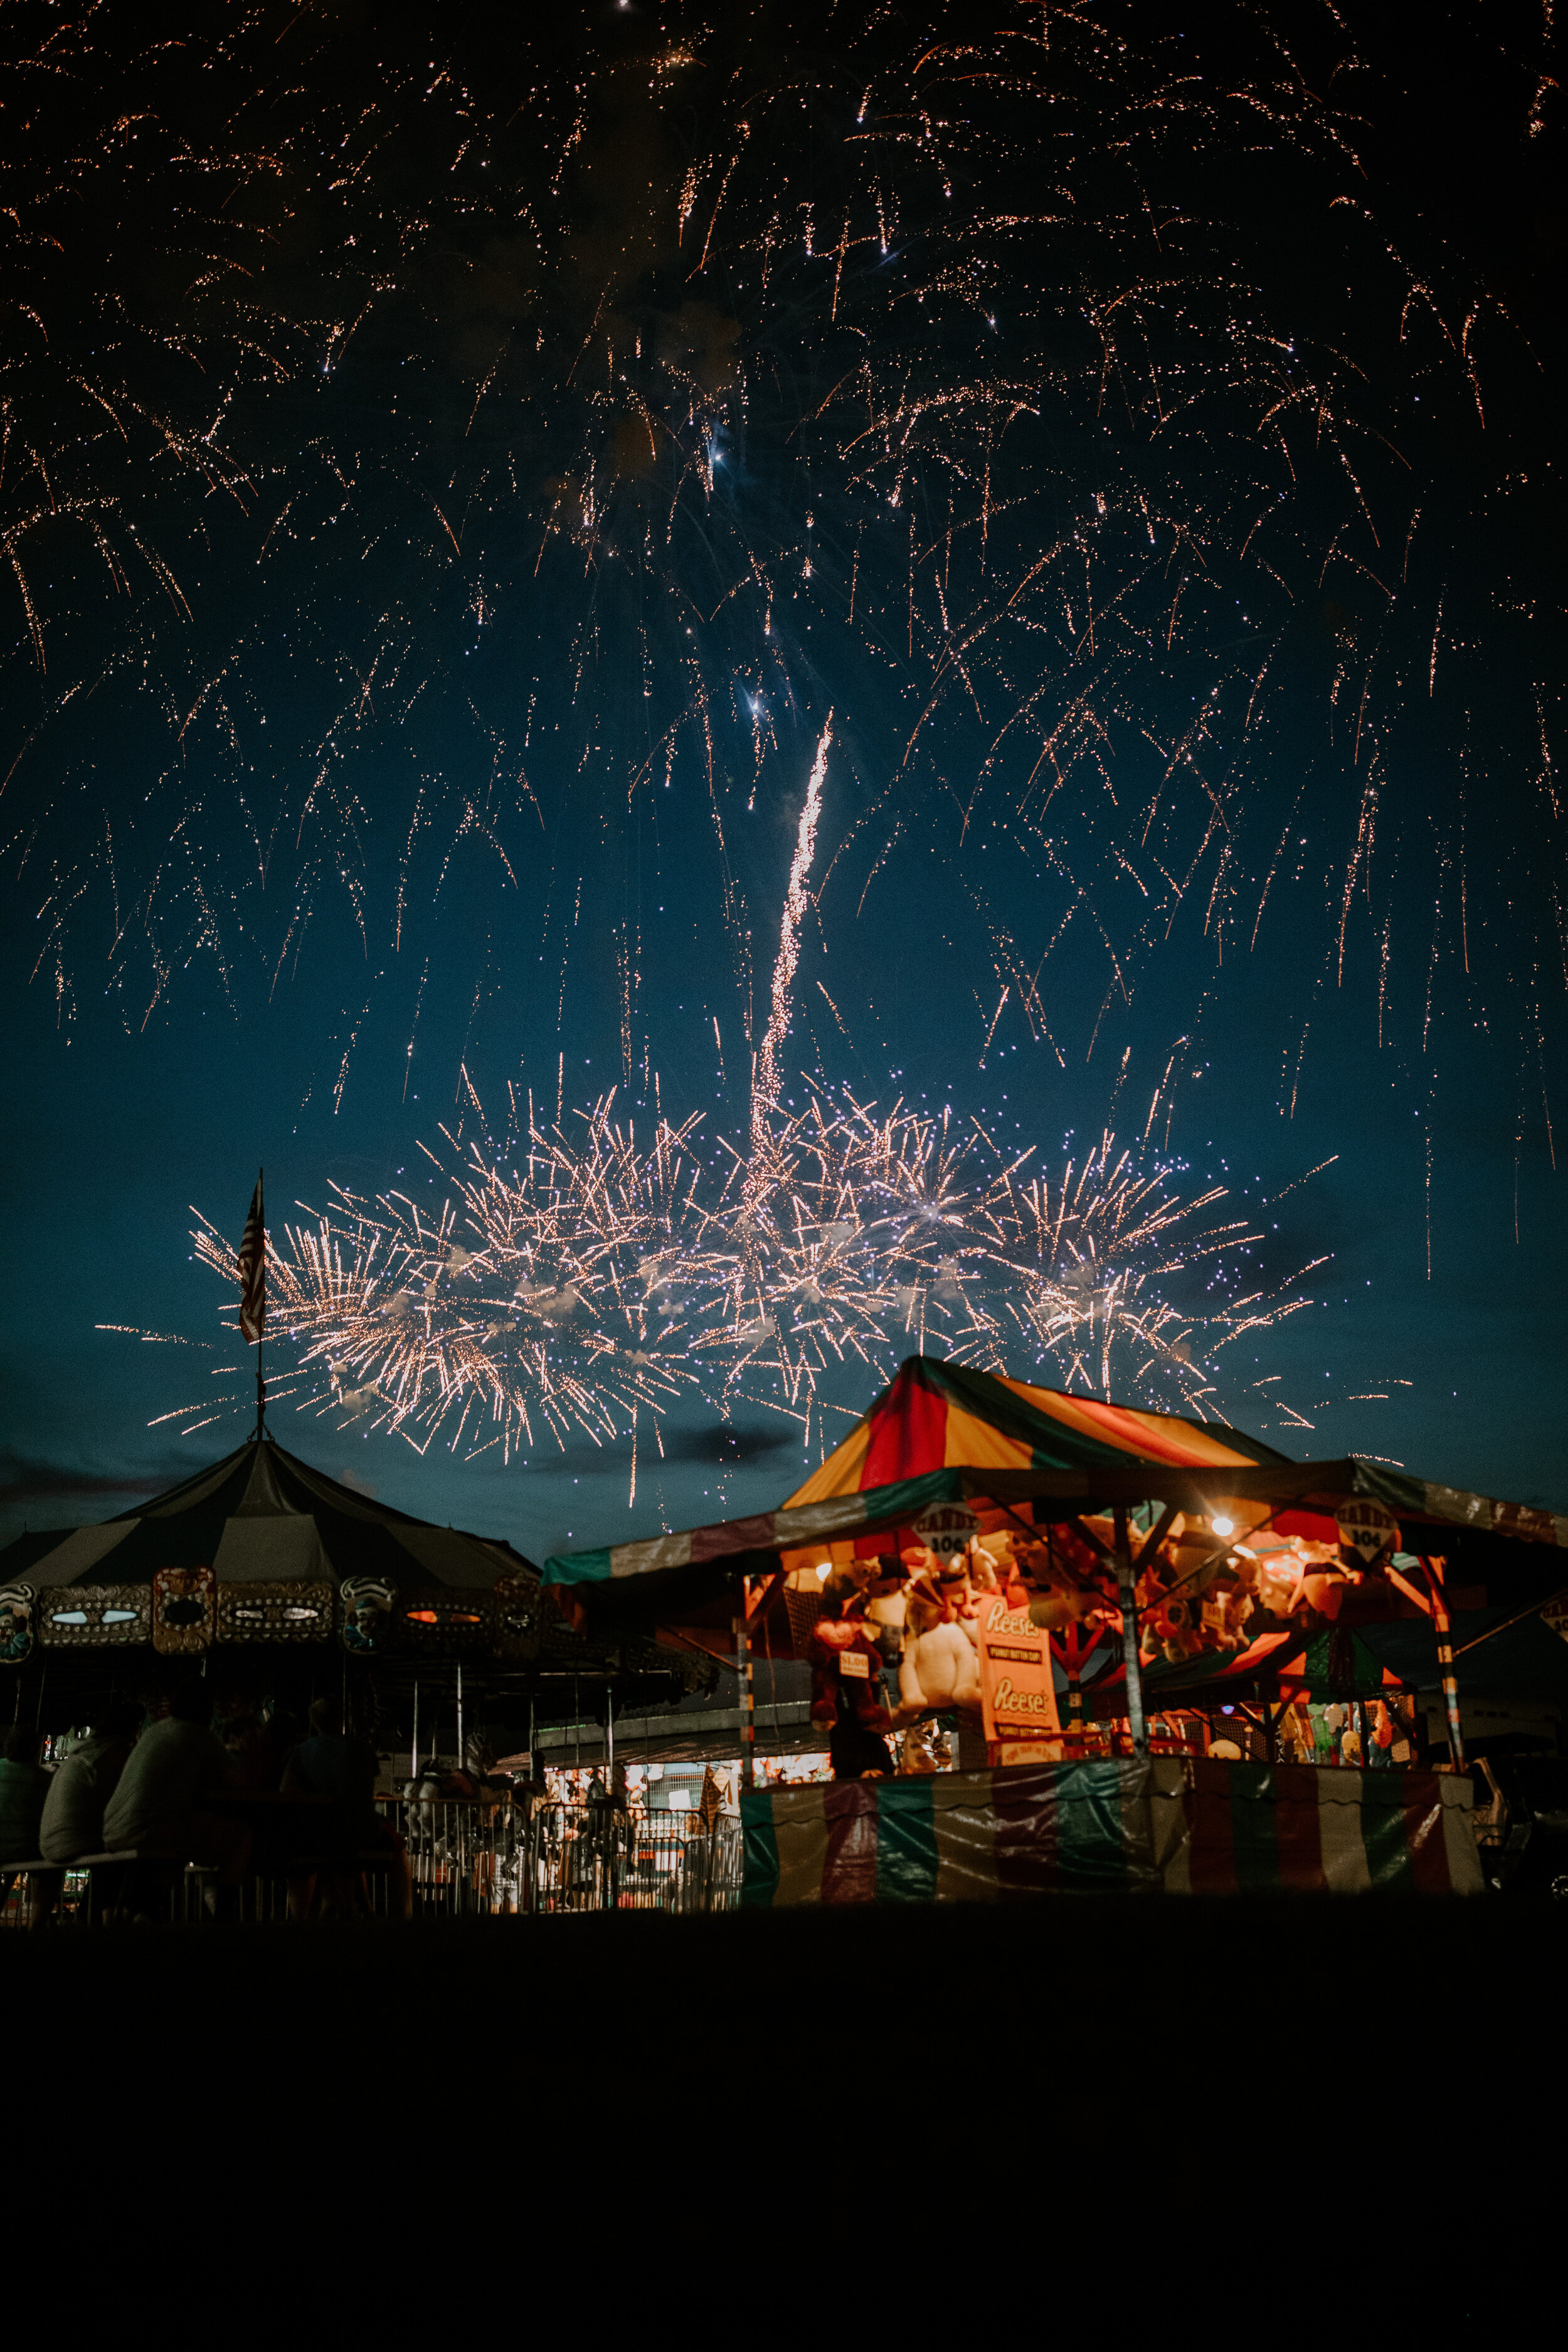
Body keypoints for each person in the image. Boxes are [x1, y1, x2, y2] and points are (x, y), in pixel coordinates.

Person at [102, 1682, 252, 1892]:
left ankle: (147, 1914)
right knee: (240, 1837)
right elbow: (237, 1783)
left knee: (180, 1847)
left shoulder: (153, 1732)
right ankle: (224, 1916)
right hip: (149, 1829)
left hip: (112, 1829)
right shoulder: (200, 1734)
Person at [40, 1702, 142, 1863]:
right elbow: (121, 1804)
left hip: (50, 1844)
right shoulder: (111, 1753)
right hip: (74, 1843)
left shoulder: (84, 1751)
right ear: (130, 1728)